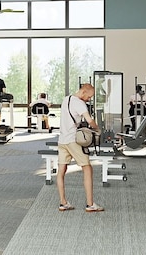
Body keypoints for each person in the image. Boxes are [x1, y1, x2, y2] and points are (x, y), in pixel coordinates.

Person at [57, 83, 104, 212]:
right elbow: (89, 120)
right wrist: (97, 128)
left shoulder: (66, 99)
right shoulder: (80, 103)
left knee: (61, 171)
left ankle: (63, 202)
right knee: (87, 168)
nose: (89, 99)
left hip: (62, 140)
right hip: (73, 140)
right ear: (83, 92)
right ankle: (90, 204)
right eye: (89, 96)